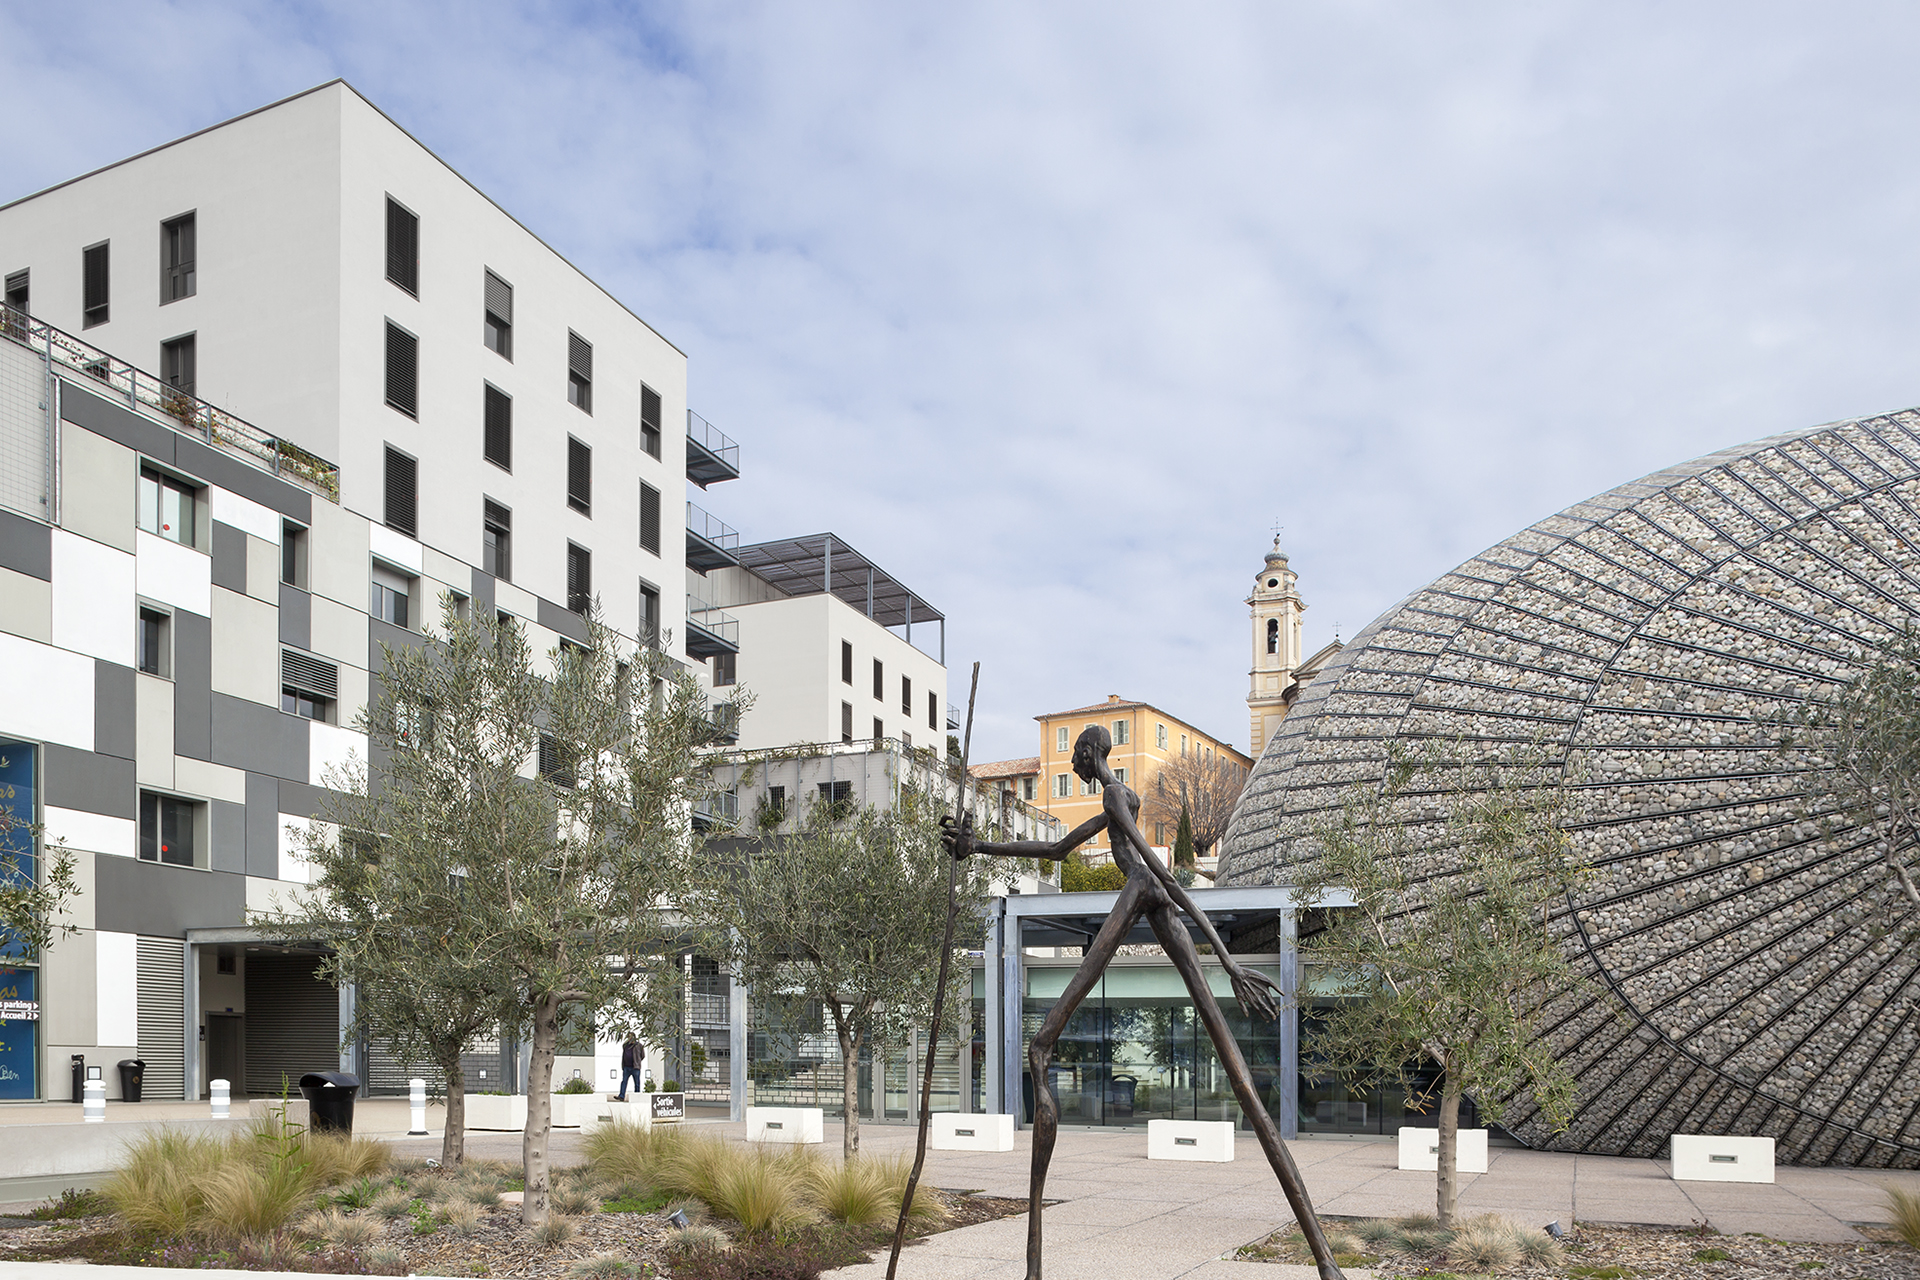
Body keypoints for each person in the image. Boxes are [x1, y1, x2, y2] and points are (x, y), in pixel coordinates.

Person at [943, 725, 1345, 1280]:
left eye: (1076, 755)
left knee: (1040, 1045)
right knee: (1239, 1076)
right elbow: (1057, 849)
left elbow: (1159, 872)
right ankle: (1325, 1262)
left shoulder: (1114, 795)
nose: (1075, 763)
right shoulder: (1122, 797)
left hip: (1142, 895)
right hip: (1157, 907)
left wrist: (1226, 958)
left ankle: (1034, 1267)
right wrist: (976, 847)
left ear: (1087, 754)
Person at [616, 1036, 646, 1101]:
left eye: (630, 1037)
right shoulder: (625, 1045)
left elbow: (643, 1055)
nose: (629, 1038)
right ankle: (621, 1096)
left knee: (637, 1082)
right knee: (624, 1081)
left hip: (635, 1067)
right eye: (628, 1037)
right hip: (626, 1067)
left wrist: (638, 1061)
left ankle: (637, 1096)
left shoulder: (639, 1045)